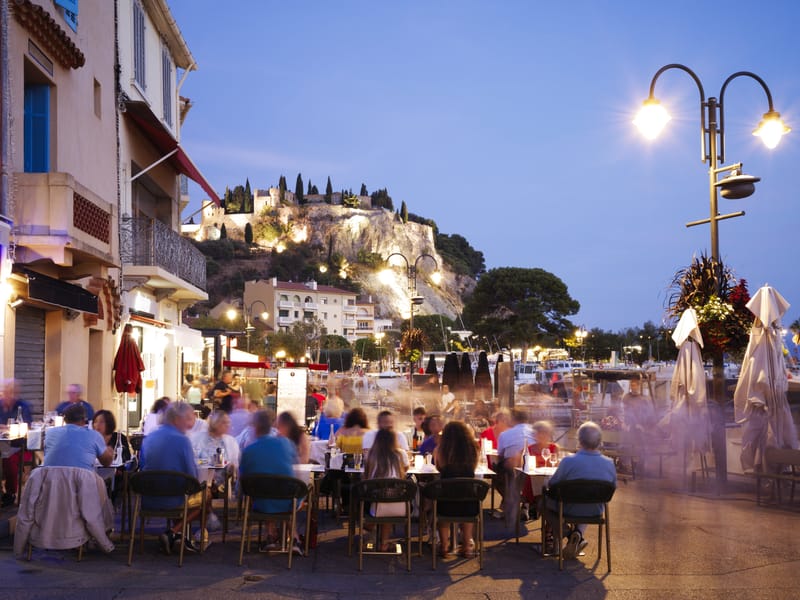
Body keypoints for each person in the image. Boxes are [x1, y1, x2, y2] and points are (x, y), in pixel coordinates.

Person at [141, 402, 211, 554]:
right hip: (173, 498)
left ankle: (177, 536)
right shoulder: (182, 440)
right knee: (206, 496)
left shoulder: (150, 437)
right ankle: (173, 531)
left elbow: (142, 465)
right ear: (176, 419)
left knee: (179, 488)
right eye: (187, 419)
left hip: (148, 497)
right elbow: (192, 477)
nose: (189, 423)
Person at [544, 421, 617, 560]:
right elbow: (613, 486)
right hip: (595, 510)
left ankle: (570, 535)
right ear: (599, 441)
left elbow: (553, 485)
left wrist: (545, 483)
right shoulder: (609, 463)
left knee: (543, 502)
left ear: (580, 440)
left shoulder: (568, 461)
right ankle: (578, 536)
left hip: (569, 508)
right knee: (586, 498)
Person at [239, 409, 304, 555]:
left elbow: (243, 480)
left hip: (261, 503)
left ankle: (270, 535)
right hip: (286, 500)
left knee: (266, 490)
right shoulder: (286, 444)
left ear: (255, 428)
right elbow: (296, 473)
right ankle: (293, 538)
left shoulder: (248, 451)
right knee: (291, 495)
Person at [433, 421, 479, 558]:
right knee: (467, 514)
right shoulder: (474, 448)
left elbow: (439, 467)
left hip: (447, 495)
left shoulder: (441, 449)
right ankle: (466, 547)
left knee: (442, 513)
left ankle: (444, 546)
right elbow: (474, 468)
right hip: (468, 496)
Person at [363, 428, 407, 552]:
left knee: (377, 496)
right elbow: (405, 470)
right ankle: (383, 543)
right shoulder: (400, 454)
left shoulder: (371, 454)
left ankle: (369, 524)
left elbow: (366, 476)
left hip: (374, 502)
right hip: (398, 503)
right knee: (389, 495)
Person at [496, 409, 535, 527]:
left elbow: (500, 455)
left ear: (513, 420)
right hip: (532, 471)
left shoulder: (505, 434)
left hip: (512, 470)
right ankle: (525, 504)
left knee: (497, 473)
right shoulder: (536, 432)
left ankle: (510, 501)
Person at [44, 404, 113, 470]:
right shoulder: (94, 435)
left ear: (64, 420)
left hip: (51, 480)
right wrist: (109, 451)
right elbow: (107, 463)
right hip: (82, 480)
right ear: (84, 420)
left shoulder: (50, 433)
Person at [0, 379, 33, 506]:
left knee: (9, 459)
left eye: (12, 392)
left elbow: (25, 427)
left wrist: (5, 427)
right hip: (2, 444)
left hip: (19, 445)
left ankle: (10, 493)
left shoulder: (22, 406)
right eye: (6, 391)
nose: (8, 395)